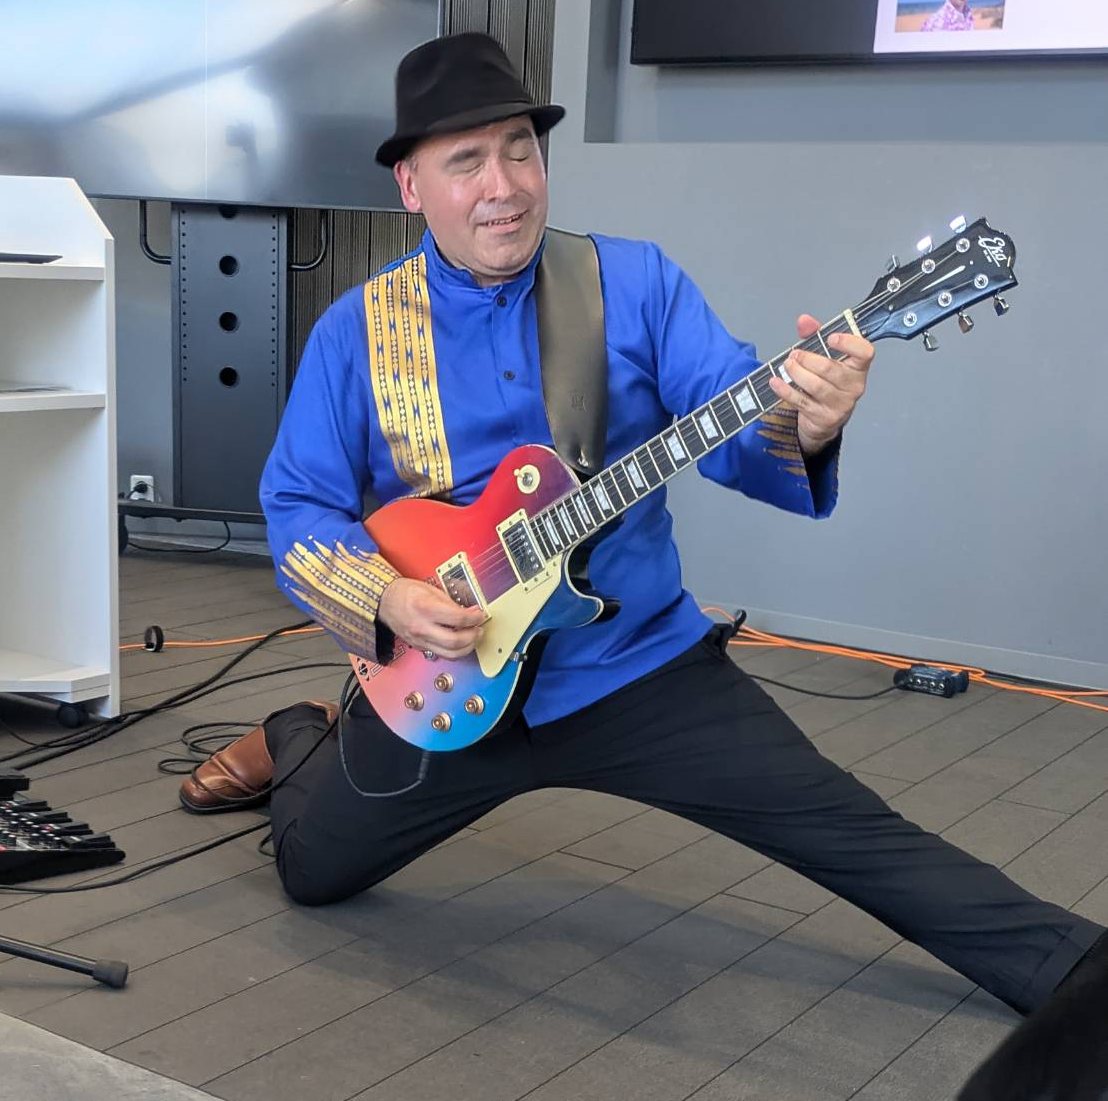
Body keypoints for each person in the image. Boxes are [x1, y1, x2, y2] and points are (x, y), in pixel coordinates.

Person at [180, 32, 1106, 1020]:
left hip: (635, 666)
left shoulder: (632, 284)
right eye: (466, 161)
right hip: (446, 681)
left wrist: (809, 422)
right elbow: (299, 507)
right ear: (411, 186)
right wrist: (390, 599)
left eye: (521, 150)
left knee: (860, 837)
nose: (504, 185)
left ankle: (1076, 971)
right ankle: (297, 731)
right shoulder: (355, 334)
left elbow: (734, 430)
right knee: (314, 871)